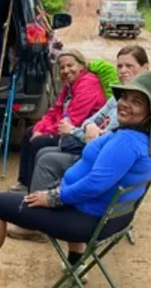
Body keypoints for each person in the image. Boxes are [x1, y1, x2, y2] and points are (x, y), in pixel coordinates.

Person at [0, 71, 151, 288]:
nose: (125, 105)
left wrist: (54, 197)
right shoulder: (149, 142)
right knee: (71, 188)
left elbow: (94, 185)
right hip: (112, 219)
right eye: (125, 98)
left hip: (84, 221)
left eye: (137, 102)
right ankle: (76, 263)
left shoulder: (126, 142)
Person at [29, 45, 150, 195]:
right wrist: (90, 126)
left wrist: (74, 130)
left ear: (145, 67)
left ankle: (38, 205)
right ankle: (35, 196)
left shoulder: (134, 106)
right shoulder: (117, 96)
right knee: (43, 151)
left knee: (46, 158)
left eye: (129, 66)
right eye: (119, 66)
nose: (123, 71)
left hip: (96, 156)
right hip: (88, 147)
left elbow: (102, 138)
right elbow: (88, 120)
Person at [13, 48, 106, 192]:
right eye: (62, 67)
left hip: (78, 134)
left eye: (70, 65)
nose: (66, 70)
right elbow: (55, 110)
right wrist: (40, 128)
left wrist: (44, 133)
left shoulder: (89, 84)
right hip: (65, 128)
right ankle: (25, 182)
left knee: (39, 142)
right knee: (29, 132)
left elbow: (74, 119)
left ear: (81, 66)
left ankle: (34, 187)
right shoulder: (69, 86)